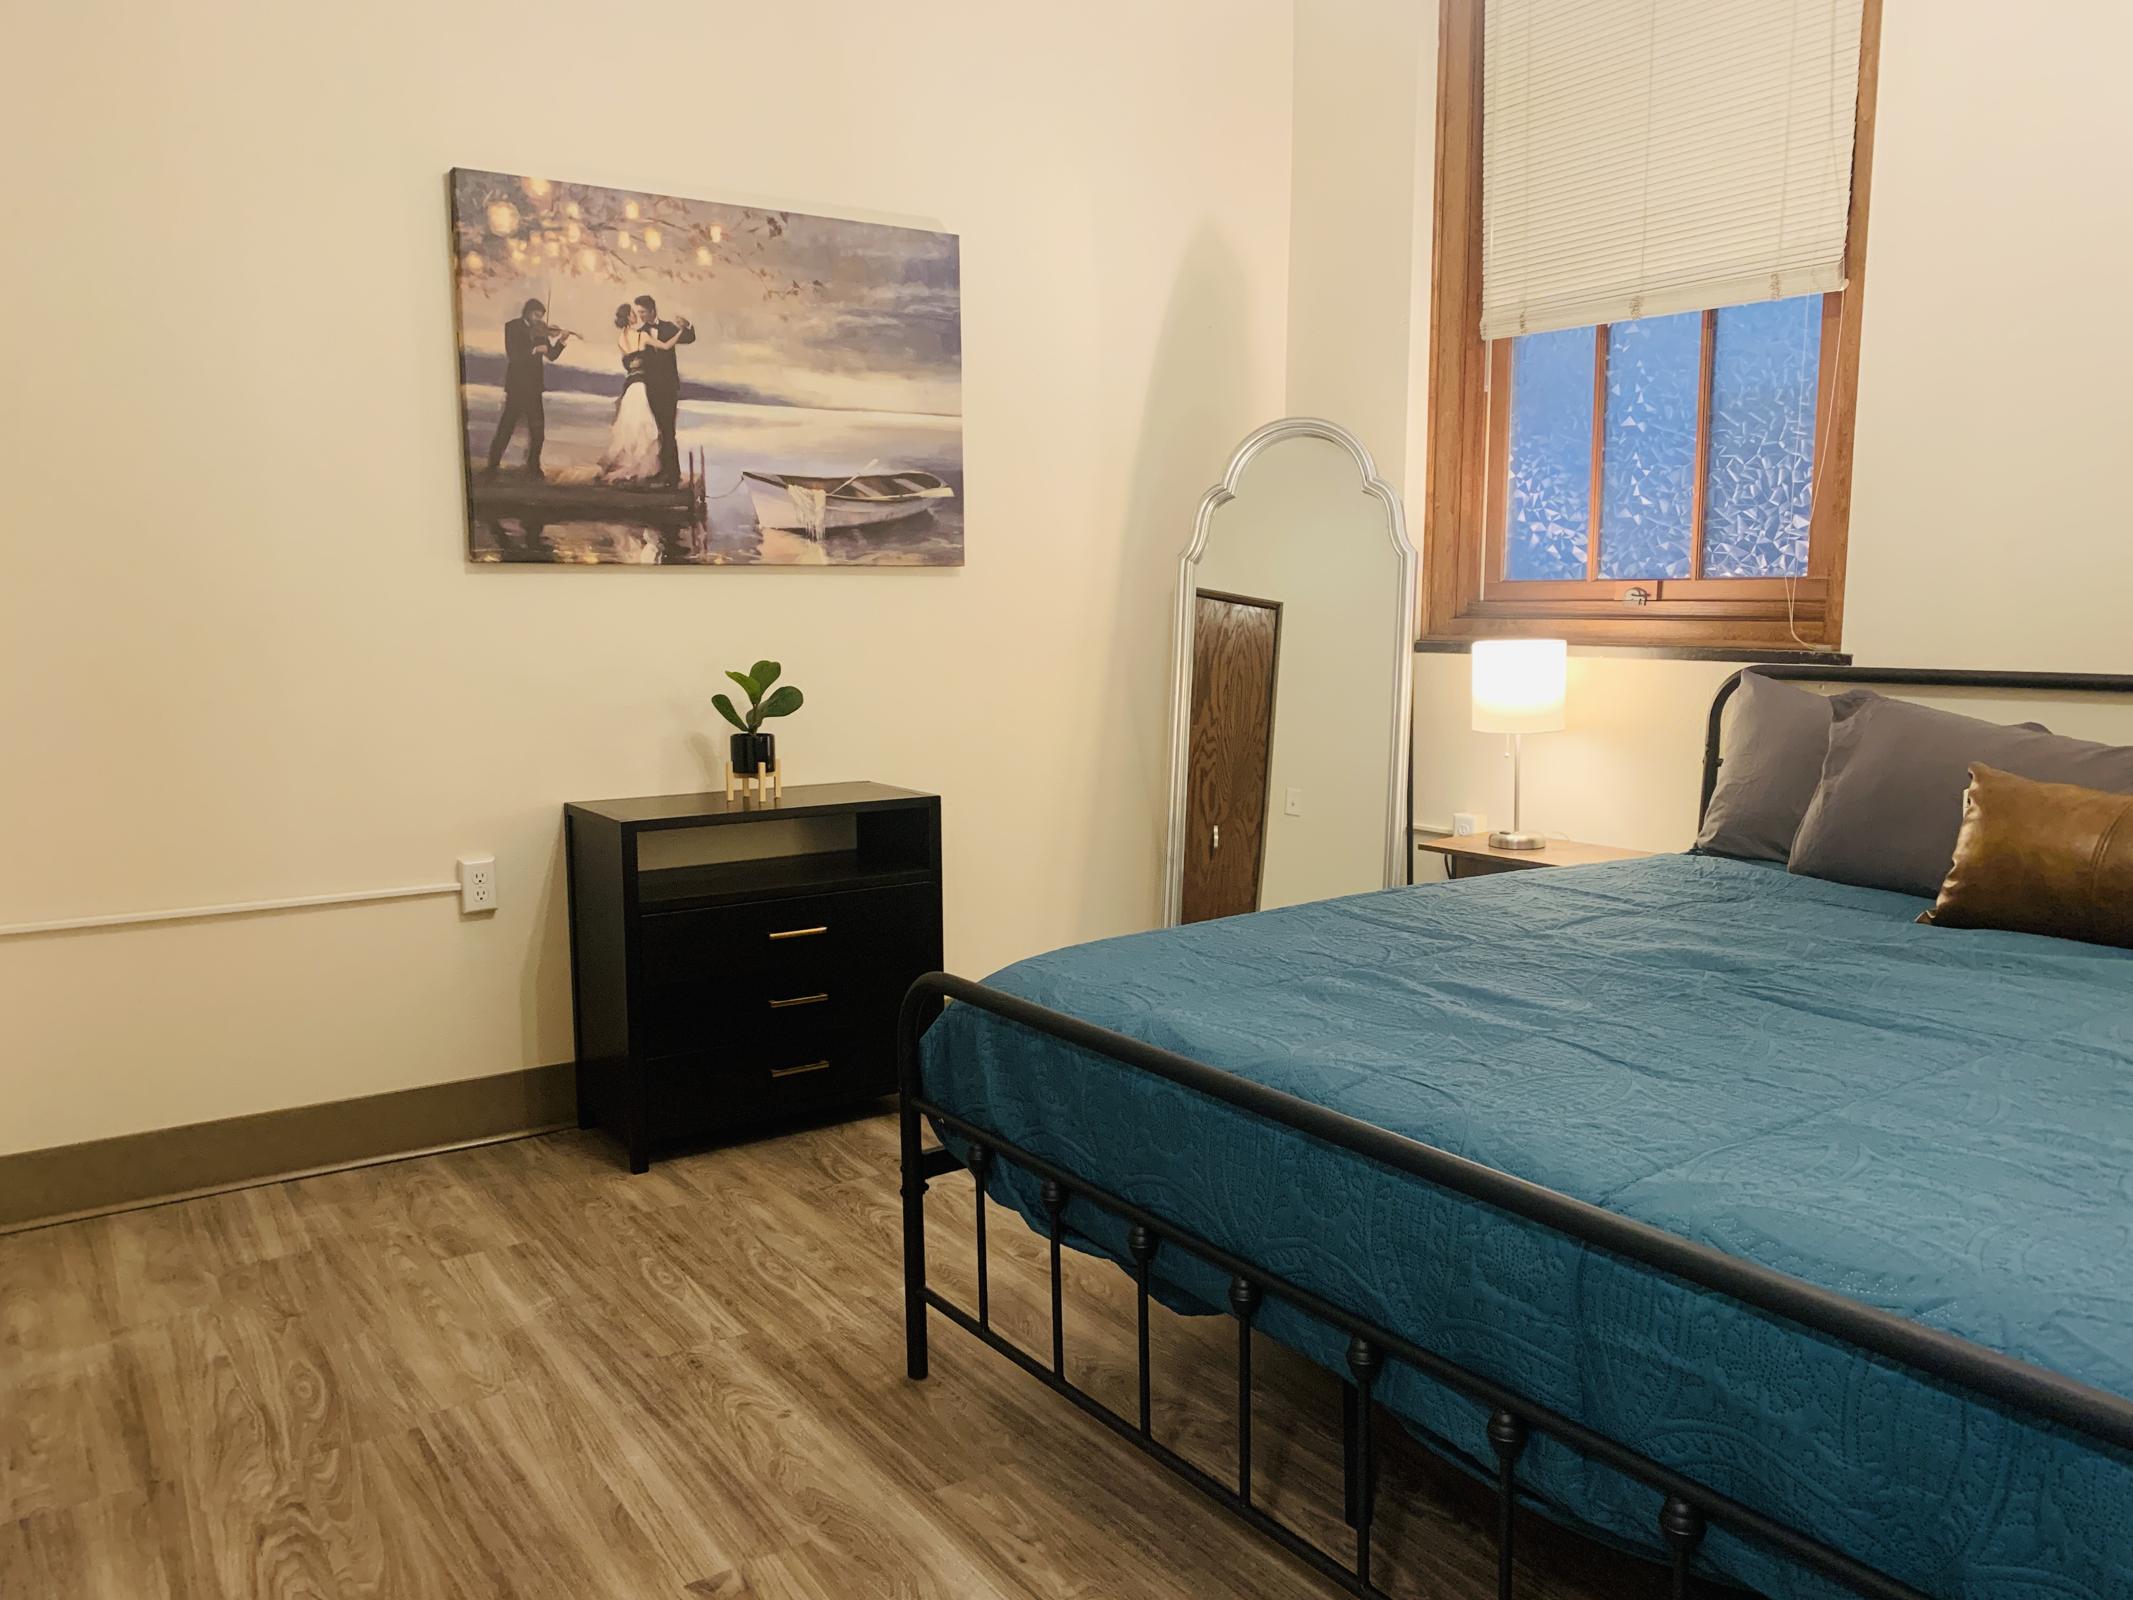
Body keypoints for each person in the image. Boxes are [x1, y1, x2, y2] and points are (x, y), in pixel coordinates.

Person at [483, 300, 573, 476]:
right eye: (536, 315)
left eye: (540, 316)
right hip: (517, 386)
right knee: (506, 427)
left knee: (538, 429)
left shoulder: (540, 330)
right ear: (527, 312)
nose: (538, 319)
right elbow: (513, 354)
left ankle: (533, 467)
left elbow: (552, 355)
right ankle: (492, 466)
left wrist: (561, 341)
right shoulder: (512, 327)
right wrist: (533, 350)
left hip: (534, 387)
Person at [596, 302, 677, 484]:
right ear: (629, 317)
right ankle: (643, 467)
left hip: (630, 386)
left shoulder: (621, 339)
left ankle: (631, 464)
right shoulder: (641, 335)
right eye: (634, 313)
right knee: (644, 427)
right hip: (641, 386)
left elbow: (628, 362)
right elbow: (665, 347)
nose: (636, 316)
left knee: (631, 427)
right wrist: (679, 333)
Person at [630, 293, 695, 485]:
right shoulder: (640, 332)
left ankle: (672, 474)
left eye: (643, 312)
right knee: (657, 431)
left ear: (652, 311)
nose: (640, 316)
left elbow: (689, 338)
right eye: (638, 312)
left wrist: (687, 325)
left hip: (668, 387)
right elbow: (630, 355)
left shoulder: (668, 327)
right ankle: (662, 470)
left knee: (668, 431)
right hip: (650, 387)